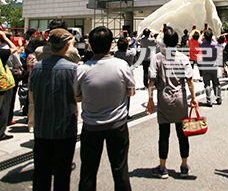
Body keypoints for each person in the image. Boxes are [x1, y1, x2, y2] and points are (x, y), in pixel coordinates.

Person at [74, 26, 135, 191]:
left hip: (91, 126)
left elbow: (77, 97)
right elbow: (131, 91)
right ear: (110, 45)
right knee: (120, 170)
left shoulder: (82, 69)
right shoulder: (121, 66)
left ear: (91, 46)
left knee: (88, 171)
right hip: (117, 125)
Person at [146, 26, 198, 179]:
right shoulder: (183, 58)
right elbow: (190, 80)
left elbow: (151, 82)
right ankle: (183, 166)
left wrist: (150, 100)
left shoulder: (157, 58)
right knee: (183, 135)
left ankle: (162, 167)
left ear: (163, 42)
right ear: (176, 42)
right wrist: (193, 97)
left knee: (164, 135)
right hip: (181, 100)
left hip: (164, 99)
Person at [30, 29, 78, 191]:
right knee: (62, 174)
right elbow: (78, 96)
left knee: (41, 173)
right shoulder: (73, 69)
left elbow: (32, 90)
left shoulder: (36, 67)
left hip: (42, 126)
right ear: (67, 45)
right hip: (65, 128)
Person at [0, 30, 17, 141]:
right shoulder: (2, 51)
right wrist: (5, 38)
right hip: (3, 84)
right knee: (3, 109)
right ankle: (1, 133)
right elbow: (14, 49)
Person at [198, 29, 221, 107]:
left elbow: (199, 40)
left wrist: (203, 33)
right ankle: (218, 98)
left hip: (205, 65)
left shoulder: (202, 44)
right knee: (216, 83)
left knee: (207, 84)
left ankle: (209, 100)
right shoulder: (215, 44)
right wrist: (210, 37)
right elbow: (214, 40)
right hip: (214, 65)